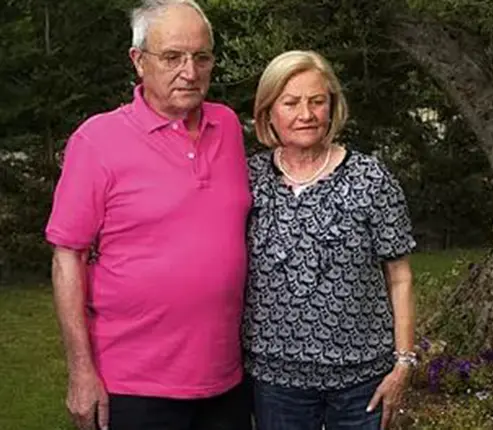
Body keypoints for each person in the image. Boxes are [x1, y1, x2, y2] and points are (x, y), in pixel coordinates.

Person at [45, 1, 252, 429]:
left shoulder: (228, 127)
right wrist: (81, 372)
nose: (190, 72)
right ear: (139, 61)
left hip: (225, 382)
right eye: (173, 57)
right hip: (133, 386)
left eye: (201, 57)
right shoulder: (97, 141)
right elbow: (68, 257)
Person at [243, 50, 418, 430]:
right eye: (291, 103)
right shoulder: (247, 179)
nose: (305, 114)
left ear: (332, 107)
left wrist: (404, 363)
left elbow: (400, 276)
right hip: (275, 382)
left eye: (317, 101)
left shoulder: (370, 178)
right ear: (268, 113)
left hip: (362, 381)